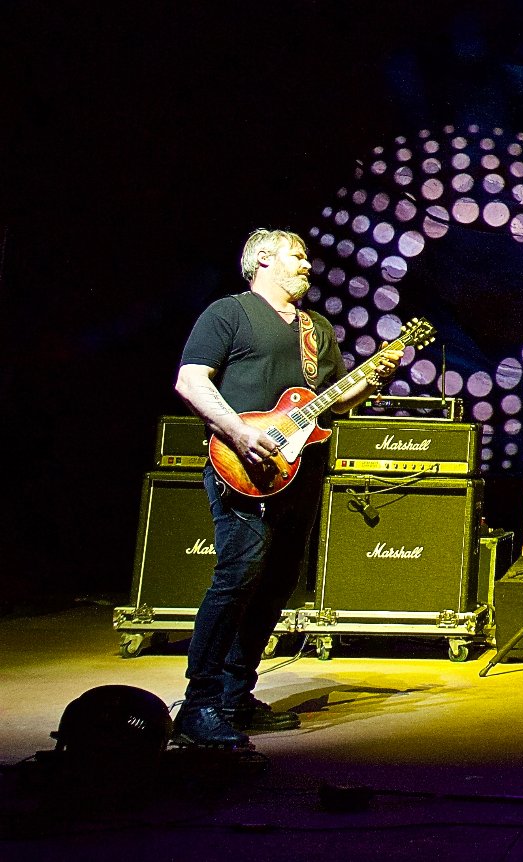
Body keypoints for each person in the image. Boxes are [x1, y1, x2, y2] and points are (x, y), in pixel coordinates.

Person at [171, 229, 398, 747]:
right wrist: (237, 431)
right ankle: (199, 703)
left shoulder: (317, 329)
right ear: (263, 260)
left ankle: (235, 695)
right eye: (296, 256)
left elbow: (331, 402)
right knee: (238, 573)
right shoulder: (228, 313)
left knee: (277, 581)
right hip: (243, 465)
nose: (306, 265)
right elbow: (191, 381)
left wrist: (370, 381)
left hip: (300, 469)